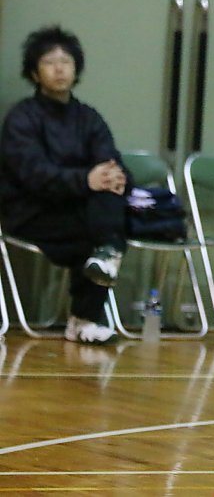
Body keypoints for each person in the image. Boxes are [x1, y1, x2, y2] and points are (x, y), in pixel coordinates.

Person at [0, 25, 131, 344]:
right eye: (49, 62)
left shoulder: (89, 117)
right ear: (34, 73)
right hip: (31, 212)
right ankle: (85, 315)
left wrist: (116, 176)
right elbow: (34, 175)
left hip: (78, 210)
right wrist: (85, 180)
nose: (59, 69)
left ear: (76, 69)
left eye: (66, 61)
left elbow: (110, 160)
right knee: (102, 233)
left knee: (109, 193)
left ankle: (103, 261)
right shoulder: (22, 118)